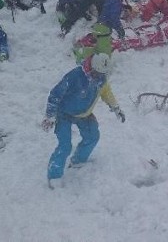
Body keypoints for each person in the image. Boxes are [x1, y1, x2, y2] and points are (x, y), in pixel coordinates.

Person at [41, 53, 125, 187]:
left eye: (102, 74)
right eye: (97, 73)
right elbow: (55, 94)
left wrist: (116, 108)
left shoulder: (101, 79)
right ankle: (54, 177)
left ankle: (78, 161)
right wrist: (50, 116)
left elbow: (106, 92)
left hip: (84, 114)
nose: (99, 77)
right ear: (91, 67)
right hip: (64, 114)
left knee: (93, 136)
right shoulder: (75, 76)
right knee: (65, 145)